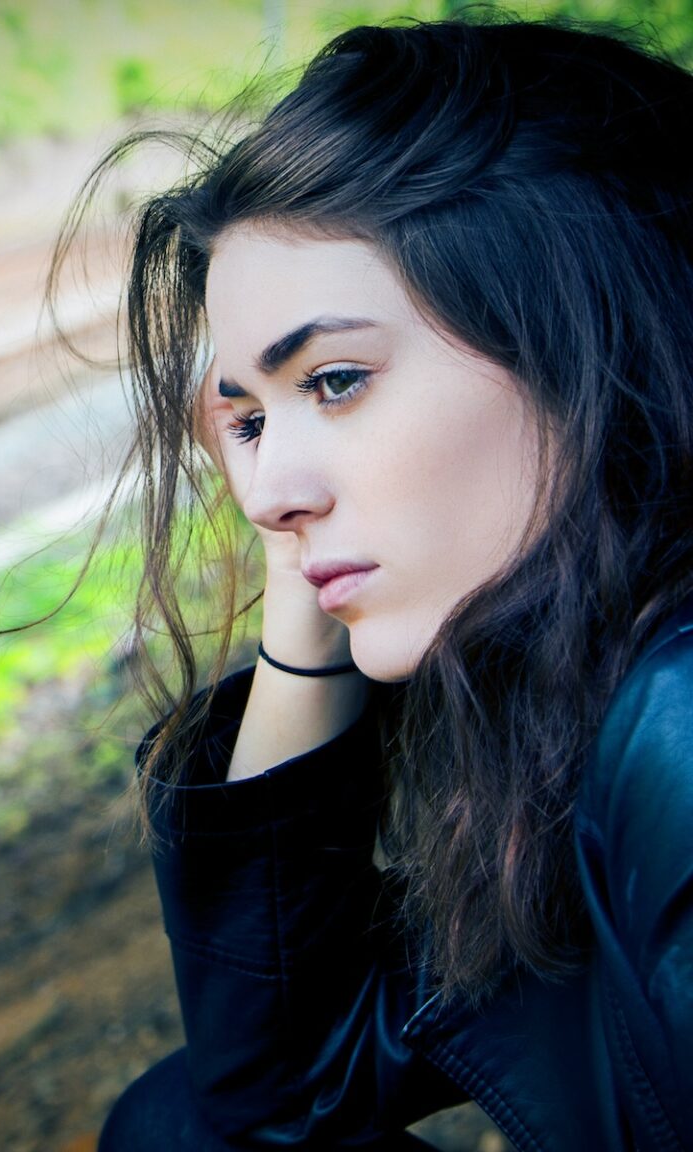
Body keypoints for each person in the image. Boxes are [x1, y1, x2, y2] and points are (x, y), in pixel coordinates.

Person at [72, 14, 693, 1152]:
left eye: (339, 379)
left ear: (578, 333)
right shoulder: (575, 682)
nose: (265, 493)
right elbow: (279, 1088)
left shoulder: (681, 722)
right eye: (250, 419)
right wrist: (307, 580)